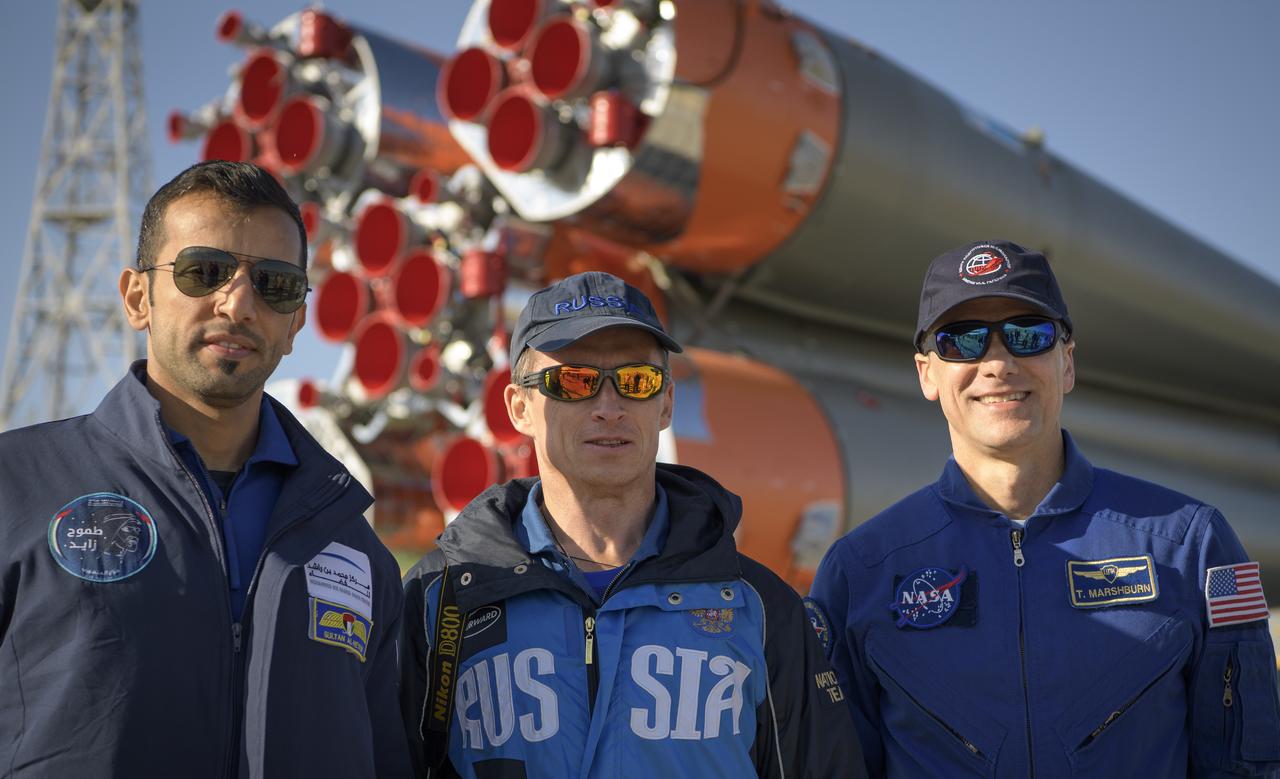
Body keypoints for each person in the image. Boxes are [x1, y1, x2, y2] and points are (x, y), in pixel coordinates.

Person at [0, 161, 411, 777]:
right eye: (205, 271)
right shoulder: (17, 487)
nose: (239, 303)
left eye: (275, 285)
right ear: (138, 297)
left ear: (296, 322)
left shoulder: (353, 546)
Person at [809, 239, 1280, 777]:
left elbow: (1248, 763)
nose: (997, 363)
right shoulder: (859, 572)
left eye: (1026, 335)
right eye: (962, 341)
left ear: (1067, 363)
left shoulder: (1195, 547)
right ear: (927, 375)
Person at [401, 271, 863, 778]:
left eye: (635, 381)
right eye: (572, 381)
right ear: (519, 408)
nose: (608, 407)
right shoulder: (440, 601)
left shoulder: (760, 607)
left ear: (664, 404)